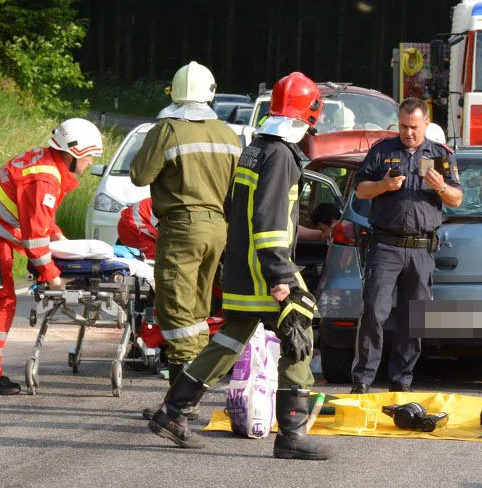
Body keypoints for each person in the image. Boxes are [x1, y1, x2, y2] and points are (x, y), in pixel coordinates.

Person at [148, 71, 332, 460]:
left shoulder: (257, 148)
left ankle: (173, 412)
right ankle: (293, 435)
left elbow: (238, 208)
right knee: (299, 331)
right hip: (266, 269)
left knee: (230, 340)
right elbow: (268, 220)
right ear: (309, 114)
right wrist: (282, 278)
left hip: (243, 270)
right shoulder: (281, 155)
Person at [0, 117, 103, 394]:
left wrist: (57, 235)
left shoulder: (44, 160)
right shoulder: (46, 178)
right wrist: (52, 275)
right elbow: (35, 235)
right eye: (89, 158)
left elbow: (35, 215)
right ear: (74, 152)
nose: (89, 165)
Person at [128, 62, 242, 380]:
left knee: (176, 307)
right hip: (219, 228)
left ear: (174, 93)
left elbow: (139, 176)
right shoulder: (228, 134)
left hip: (182, 228)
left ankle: (182, 390)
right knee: (199, 309)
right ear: (211, 93)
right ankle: (196, 378)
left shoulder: (168, 130)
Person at [349, 97, 463, 394]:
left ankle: (402, 381)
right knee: (374, 311)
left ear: (426, 123)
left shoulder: (440, 156)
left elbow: (456, 199)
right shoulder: (382, 152)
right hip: (386, 245)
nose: (408, 132)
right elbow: (360, 191)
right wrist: (383, 186)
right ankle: (363, 379)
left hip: (421, 248)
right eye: (403, 126)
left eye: (413, 127)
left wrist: (440, 186)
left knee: (415, 318)